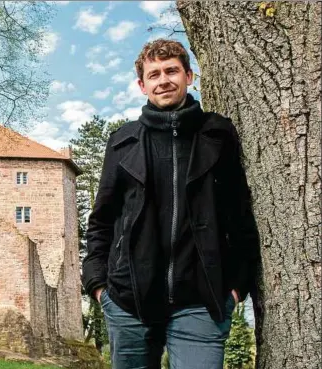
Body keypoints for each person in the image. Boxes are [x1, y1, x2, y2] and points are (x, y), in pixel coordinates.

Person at [81, 39, 260, 369]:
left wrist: (237, 286)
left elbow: (239, 215)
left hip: (201, 303)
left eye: (172, 70)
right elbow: (102, 220)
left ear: (189, 76)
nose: (163, 80)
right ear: (142, 85)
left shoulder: (218, 136)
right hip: (128, 300)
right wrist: (98, 284)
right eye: (154, 74)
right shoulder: (124, 142)